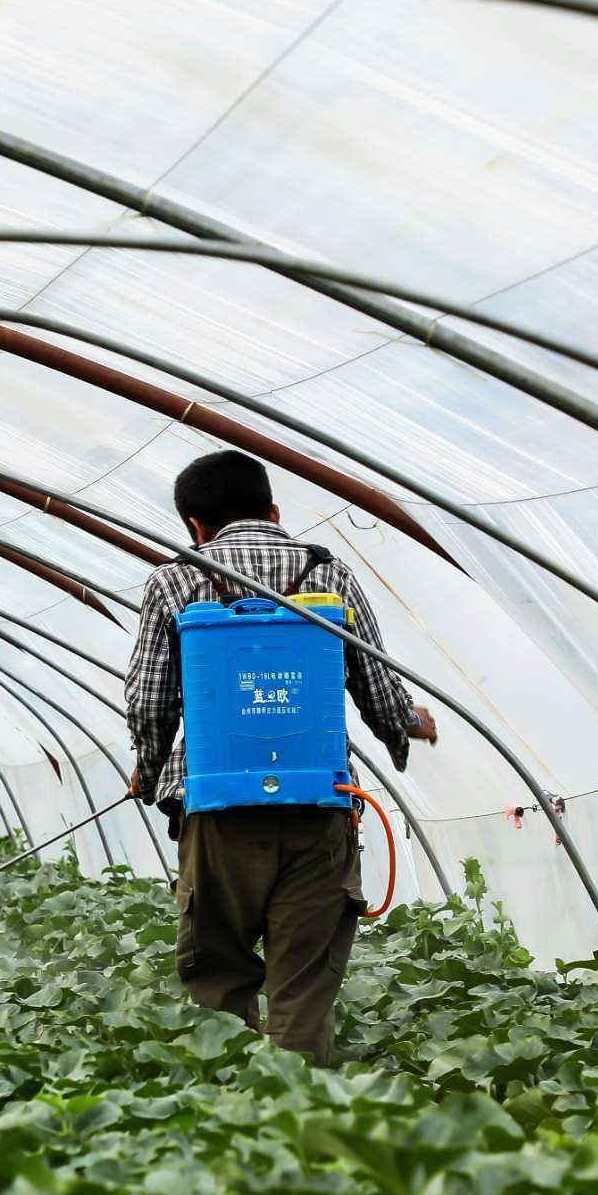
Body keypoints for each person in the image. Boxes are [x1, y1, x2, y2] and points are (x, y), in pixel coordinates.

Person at [125, 450, 437, 1064]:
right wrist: (408, 726)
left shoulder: (174, 581)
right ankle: (294, 1114)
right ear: (274, 511)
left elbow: (149, 701)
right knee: (302, 986)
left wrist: (150, 765)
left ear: (195, 526)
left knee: (218, 974)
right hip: (315, 805)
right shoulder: (330, 575)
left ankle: (229, 1115)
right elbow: (374, 681)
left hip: (216, 809)